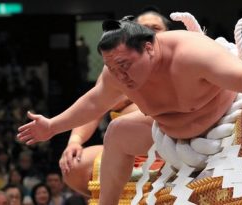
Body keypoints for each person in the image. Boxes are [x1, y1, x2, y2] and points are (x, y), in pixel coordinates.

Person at [17, 18, 242, 205]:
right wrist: (53, 127)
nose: (119, 76)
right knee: (118, 132)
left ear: (149, 48)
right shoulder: (116, 75)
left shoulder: (191, 53)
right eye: (112, 68)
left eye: (124, 65)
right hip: (166, 135)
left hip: (229, 125)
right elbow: (95, 102)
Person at [58, 9, 169, 198]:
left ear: (168, 33)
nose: (149, 31)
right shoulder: (115, 70)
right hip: (122, 150)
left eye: (156, 28)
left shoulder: (178, 61)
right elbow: (93, 105)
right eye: (143, 27)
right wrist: (75, 140)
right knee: (73, 164)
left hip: (170, 146)